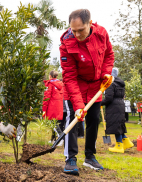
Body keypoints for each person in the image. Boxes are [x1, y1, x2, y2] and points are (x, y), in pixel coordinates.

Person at [59, 9, 114, 175]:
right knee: (74, 121)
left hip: (96, 88)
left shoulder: (102, 34)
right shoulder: (66, 45)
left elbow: (109, 55)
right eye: (73, 30)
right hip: (75, 87)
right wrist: (77, 105)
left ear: (90, 23)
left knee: (93, 121)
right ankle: (70, 158)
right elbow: (69, 76)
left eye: (80, 30)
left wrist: (106, 72)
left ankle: (90, 156)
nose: (76, 34)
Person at [101, 68, 134, 153]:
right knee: (119, 124)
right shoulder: (120, 83)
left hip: (113, 106)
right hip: (120, 105)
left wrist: (100, 103)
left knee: (116, 126)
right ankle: (126, 142)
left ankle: (119, 146)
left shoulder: (110, 83)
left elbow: (108, 98)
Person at [42, 71, 63, 143]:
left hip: (51, 106)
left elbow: (46, 97)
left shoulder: (49, 84)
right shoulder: (61, 84)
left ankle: (61, 138)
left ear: (50, 76)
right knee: (55, 123)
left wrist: (44, 109)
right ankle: (53, 139)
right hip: (59, 106)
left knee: (53, 123)